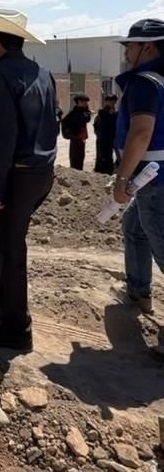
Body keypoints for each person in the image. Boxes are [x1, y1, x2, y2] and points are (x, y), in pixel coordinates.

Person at [0, 9, 58, 351]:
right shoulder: (41, 72)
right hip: (42, 172)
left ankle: (16, 328)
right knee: (2, 234)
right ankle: (7, 302)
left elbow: (2, 137)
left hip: (18, 174)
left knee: (10, 245)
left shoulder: (0, 75)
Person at [111, 19, 164, 333]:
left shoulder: (145, 82)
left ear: (149, 47)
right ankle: (138, 291)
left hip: (154, 181)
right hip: (155, 178)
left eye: (130, 45)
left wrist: (122, 180)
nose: (126, 51)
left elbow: (141, 133)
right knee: (135, 227)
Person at [61, 95, 91, 170]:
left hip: (81, 139)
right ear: (79, 102)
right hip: (75, 139)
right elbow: (64, 122)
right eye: (83, 102)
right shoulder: (74, 113)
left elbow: (87, 119)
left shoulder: (84, 112)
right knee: (75, 159)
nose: (85, 103)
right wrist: (71, 134)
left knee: (80, 158)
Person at [93, 94, 119, 175]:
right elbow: (98, 126)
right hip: (103, 138)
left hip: (112, 138)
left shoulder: (115, 113)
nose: (112, 103)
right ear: (106, 102)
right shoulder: (102, 113)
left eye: (114, 101)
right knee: (103, 156)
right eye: (110, 101)